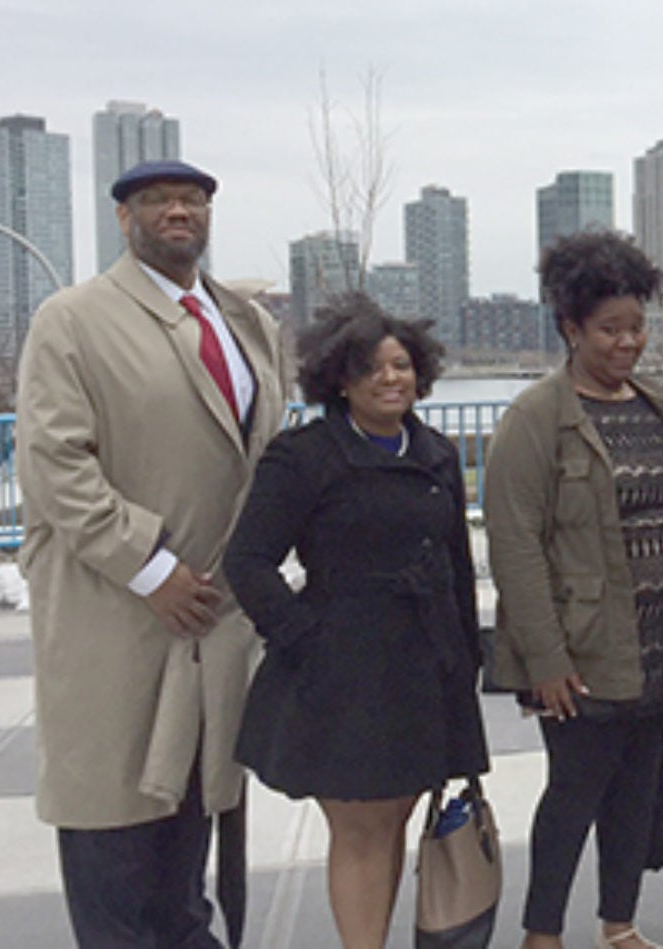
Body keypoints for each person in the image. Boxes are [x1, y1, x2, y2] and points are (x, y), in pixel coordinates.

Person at [14, 158, 287, 947]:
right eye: (158, 201)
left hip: (213, 625)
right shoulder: (73, 320)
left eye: (193, 200)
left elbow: (263, 459)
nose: (179, 212)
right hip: (118, 618)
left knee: (187, 854)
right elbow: (55, 465)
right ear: (125, 219)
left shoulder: (245, 322)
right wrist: (152, 566)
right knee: (115, 847)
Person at [223, 294, 489, 949]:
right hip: (340, 673)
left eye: (401, 364)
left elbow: (455, 560)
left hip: (421, 667)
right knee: (361, 825)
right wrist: (304, 639)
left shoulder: (434, 452)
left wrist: (463, 659)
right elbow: (248, 561)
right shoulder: (303, 456)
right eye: (371, 367)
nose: (390, 378)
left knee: (394, 817)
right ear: (339, 378)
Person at [482, 231, 663, 949]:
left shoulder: (658, 406)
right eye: (609, 329)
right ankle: (541, 932)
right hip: (583, 645)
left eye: (636, 326)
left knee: (636, 789)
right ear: (572, 329)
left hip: (662, 638)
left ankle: (619, 924)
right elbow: (514, 542)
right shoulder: (535, 418)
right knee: (575, 790)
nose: (627, 342)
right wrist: (544, 657)